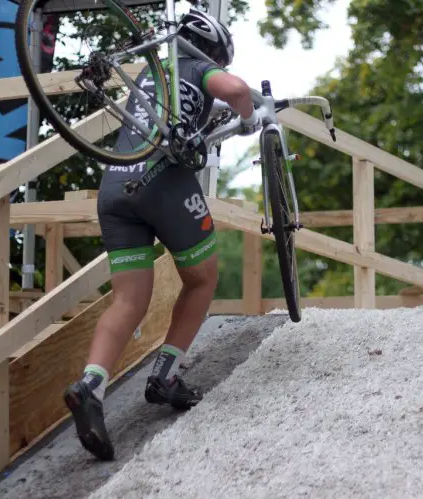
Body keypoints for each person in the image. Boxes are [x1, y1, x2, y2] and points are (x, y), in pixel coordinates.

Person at [62, 9, 260, 461]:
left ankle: (90, 386)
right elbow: (235, 90)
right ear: (211, 50)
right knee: (203, 278)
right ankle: (166, 375)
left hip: (114, 184)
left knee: (128, 300)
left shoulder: (153, 68)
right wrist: (246, 116)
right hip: (161, 182)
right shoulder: (194, 62)